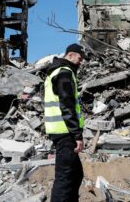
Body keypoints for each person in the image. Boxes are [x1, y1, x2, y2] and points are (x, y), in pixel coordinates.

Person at [44, 43, 88, 202]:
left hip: (63, 132)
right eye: (79, 58)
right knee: (65, 178)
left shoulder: (57, 71)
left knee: (76, 174)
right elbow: (67, 105)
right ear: (70, 55)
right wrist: (77, 134)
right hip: (65, 133)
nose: (81, 62)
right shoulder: (64, 73)